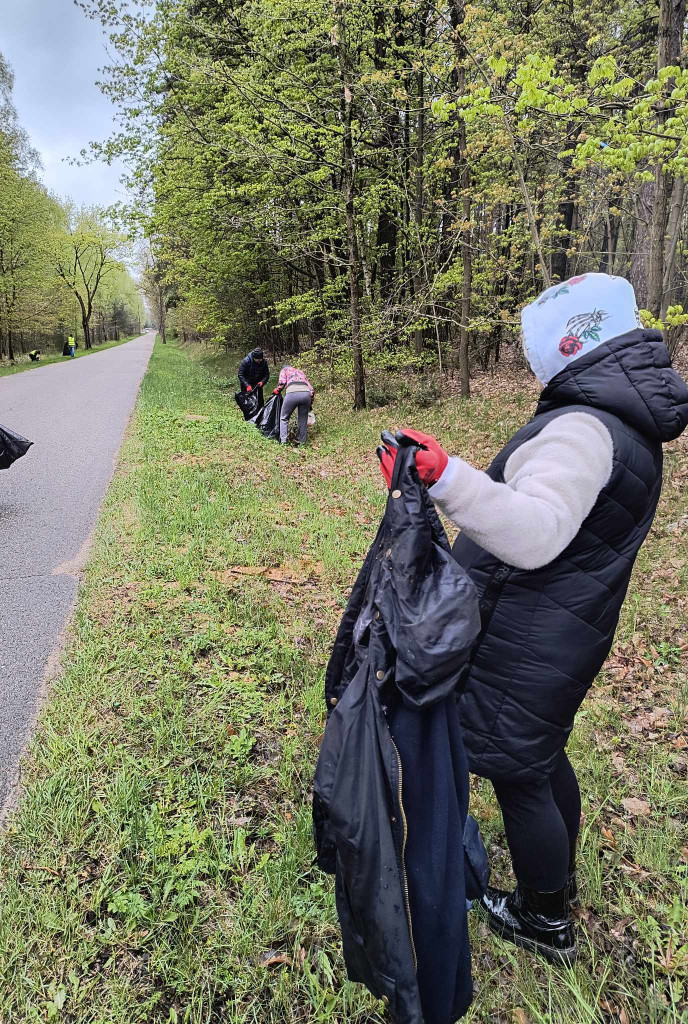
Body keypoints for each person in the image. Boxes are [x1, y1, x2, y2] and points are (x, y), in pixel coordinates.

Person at [377, 274, 688, 965]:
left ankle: (543, 916)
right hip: (562, 631)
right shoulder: (625, 418)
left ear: (568, 345)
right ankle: (559, 887)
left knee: (520, 775)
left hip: (526, 638)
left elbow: (536, 532)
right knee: (541, 761)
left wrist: (445, 477)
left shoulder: (582, 427)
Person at [273, 365, 314, 445]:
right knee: (303, 419)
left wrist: (278, 390)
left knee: (284, 418)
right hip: (306, 394)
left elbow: (282, 382)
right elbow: (311, 389)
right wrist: (310, 401)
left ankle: (283, 442)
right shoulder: (300, 371)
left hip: (292, 393)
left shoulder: (284, 370)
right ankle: (302, 442)